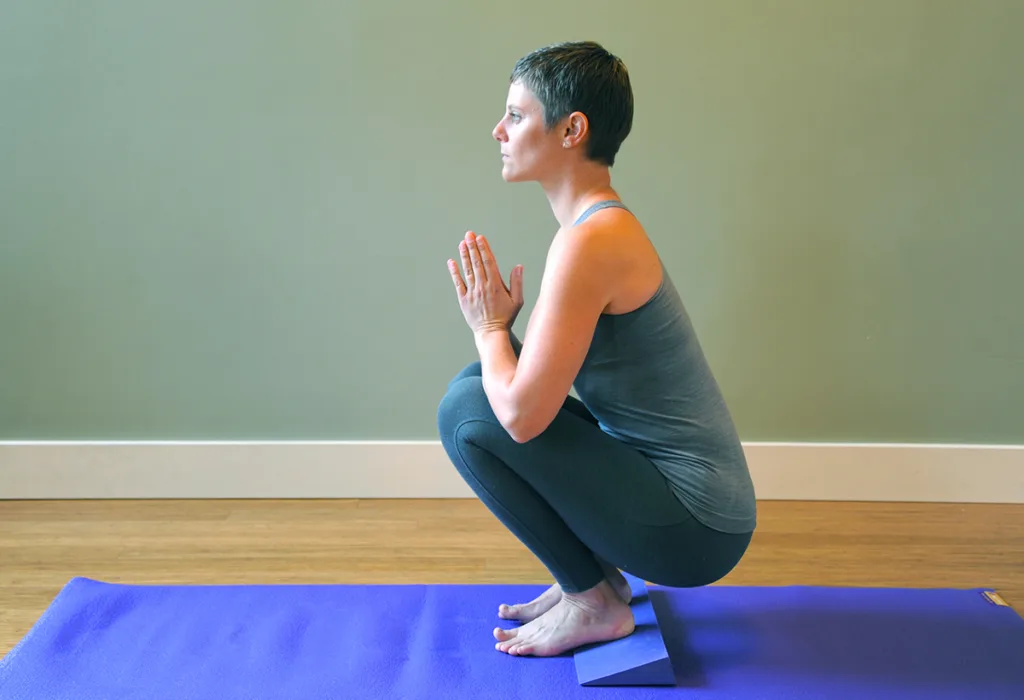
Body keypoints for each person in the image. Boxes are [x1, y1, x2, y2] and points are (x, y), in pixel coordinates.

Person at [437, 40, 757, 658]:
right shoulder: (595, 228)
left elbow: (523, 418)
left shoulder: (593, 240)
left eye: (517, 115)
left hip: (696, 528)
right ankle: (594, 582)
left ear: (571, 129)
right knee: (471, 388)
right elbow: (529, 396)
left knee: (468, 413)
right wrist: (496, 334)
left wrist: (488, 328)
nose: (498, 130)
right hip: (682, 505)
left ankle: (594, 603)